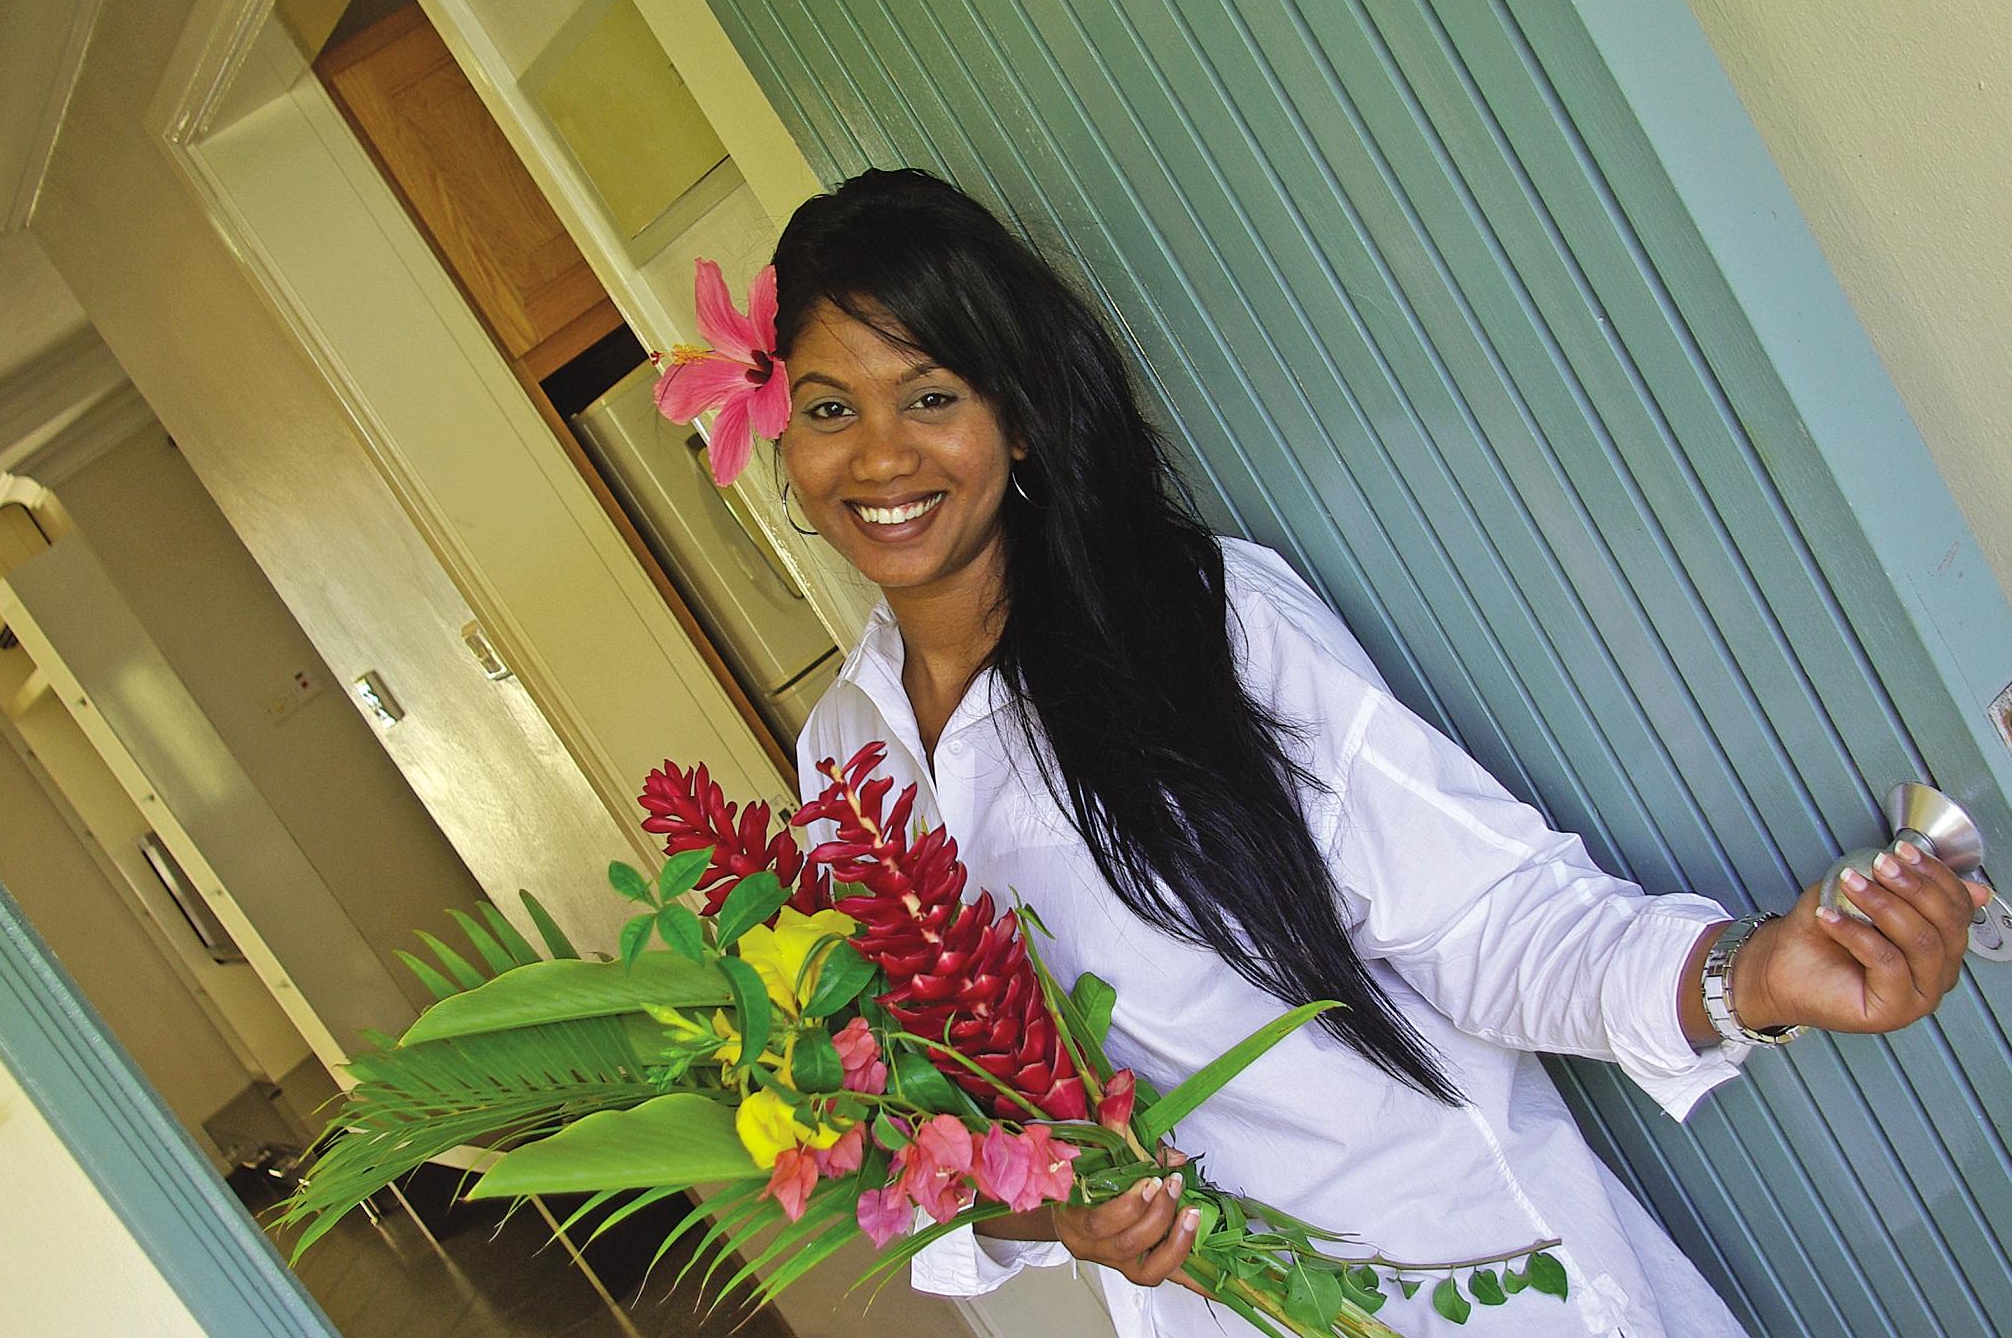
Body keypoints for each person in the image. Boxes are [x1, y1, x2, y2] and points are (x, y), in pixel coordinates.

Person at [767, 168, 1984, 1338]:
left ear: (1016, 419)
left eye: (929, 396)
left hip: (1487, 1301)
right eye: (829, 409)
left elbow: (1484, 920)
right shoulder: (841, 755)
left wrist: (1749, 977)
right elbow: (922, 1114)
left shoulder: (1202, 620)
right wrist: (1048, 1209)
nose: (879, 457)